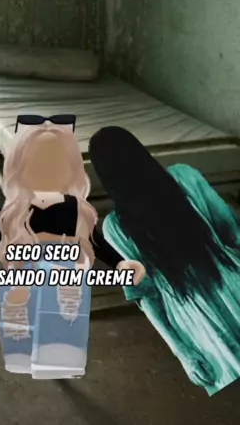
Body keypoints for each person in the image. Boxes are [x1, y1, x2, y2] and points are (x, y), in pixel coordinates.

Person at [0, 114, 145, 379]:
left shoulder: (74, 208)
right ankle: (21, 321)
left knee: (61, 305)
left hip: (62, 263)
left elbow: (93, 239)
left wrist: (119, 262)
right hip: (26, 264)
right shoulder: (14, 209)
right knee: (22, 298)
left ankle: (61, 335)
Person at [89, 125, 240, 395]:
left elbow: (145, 295)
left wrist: (182, 351)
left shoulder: (115, 228)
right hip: (228, 284)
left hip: (196, 316)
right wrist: (182, 353)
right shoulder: (185, 176)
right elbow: (231, 231)